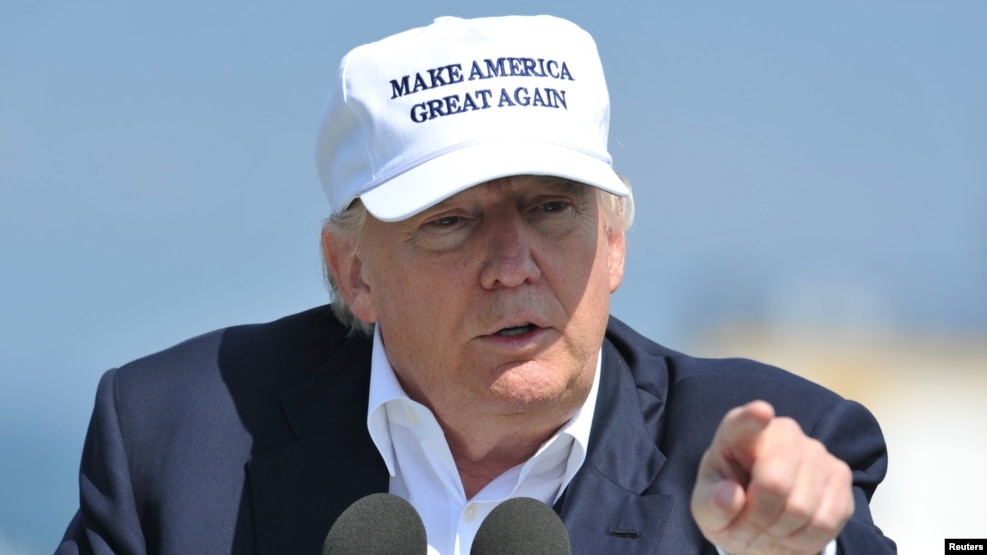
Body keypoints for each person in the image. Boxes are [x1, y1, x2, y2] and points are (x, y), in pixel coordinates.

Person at [58, 14, 895, 555]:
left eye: (551, 208)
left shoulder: (758, 451)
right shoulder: (177, 439)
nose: (511, 265)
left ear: (612, 243)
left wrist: (793, 547)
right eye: (451, 221)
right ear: (354, 272)